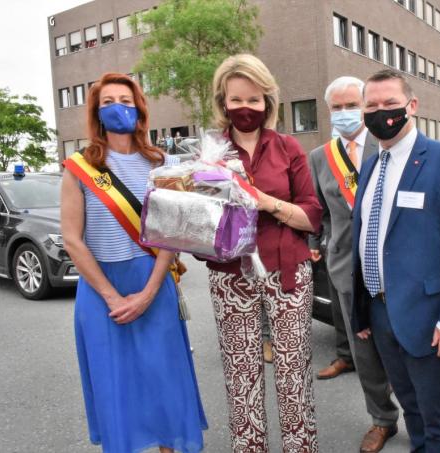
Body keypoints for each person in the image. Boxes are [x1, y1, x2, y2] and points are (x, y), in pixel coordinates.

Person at [61, 72, 207, 453]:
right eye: (107, 102)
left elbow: (171, 235)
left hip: (152, 280)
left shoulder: (161, 163)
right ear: (96, 112)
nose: (117, 108)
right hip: (99, 288)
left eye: (125, 101)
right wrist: (111, 297)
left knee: (164, 379)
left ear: (139, 109)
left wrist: (148, 293)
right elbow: (73, 240)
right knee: (115, 383)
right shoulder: (79, 168)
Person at [351, 69, 440, 452]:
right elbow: (367, 236)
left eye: (390, 103)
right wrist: (363, 311)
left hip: (428, 315)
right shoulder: (372, 164)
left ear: (412, 106)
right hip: (381, 312)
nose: (380, 112)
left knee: (439, 418)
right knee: (412, 410)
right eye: (371, 105)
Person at [208, 53, 323, 452]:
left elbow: (312, 216)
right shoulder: (210, 154)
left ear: (267, 102)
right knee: (242, 378)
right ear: (222, 101)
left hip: (287, 271)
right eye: (236, 100)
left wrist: (266, 202)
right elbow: (198, 218)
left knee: (293, 374)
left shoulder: (289, 148)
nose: (245, 108)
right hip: (230, 275)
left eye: (254, 100)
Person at [309, 76, 400, 452]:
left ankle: (423, 415)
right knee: (363, 351)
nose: (345, 113)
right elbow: (318, 210)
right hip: (345, 266)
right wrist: (317, 244)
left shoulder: (388, 146)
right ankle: (382, 419)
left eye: (352, 105)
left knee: (402, 344)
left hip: (393, 265)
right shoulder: (319, 157)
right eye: (338, 108)